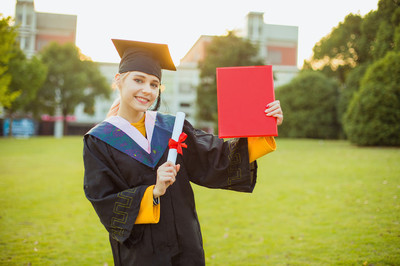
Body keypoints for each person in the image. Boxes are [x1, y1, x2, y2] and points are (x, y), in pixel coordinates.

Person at [83, 39, 284, 266]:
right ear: (118, 80)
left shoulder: (171, 127)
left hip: (185, 244)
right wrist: (154, 191)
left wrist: (263, 125)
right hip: (141, 253)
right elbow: (103, 199)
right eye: (138, 80)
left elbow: (214, 157)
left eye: (154, 84)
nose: (147, 90)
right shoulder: (99, 140)